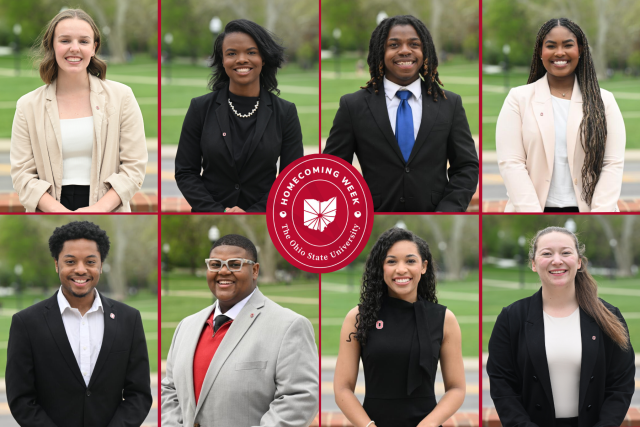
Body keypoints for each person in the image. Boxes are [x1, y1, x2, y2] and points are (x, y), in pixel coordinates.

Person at [323, 15, 479, 213]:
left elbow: (466, 167)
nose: (405, 51)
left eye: (414, 44)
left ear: (425, 51)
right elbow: (332, 172)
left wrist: (448, 210)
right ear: (381, 51)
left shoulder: (450, 103)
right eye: (394, 45)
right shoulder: (352, 105)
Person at [161, 234, 318, 426]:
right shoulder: (186, 326)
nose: (223, 271)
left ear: (254, 270)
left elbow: (299, 399)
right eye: (215, 264)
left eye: (235, 264)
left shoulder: (289, 326)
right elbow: (170, 390)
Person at [6, 221, 152, 426]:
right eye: (71, 261)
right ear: (57, 264)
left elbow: (139, 394)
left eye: (90, 262)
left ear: (101, 265)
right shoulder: (26, 323)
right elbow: (21, 398)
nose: (81, 270)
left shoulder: (129, 319)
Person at [487, 227, 635, 427]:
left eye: (566, 253)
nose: (557, 260)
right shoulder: (511, 318)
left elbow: (621, 384)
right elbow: (502, 385)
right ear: (533, 264)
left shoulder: (609, 315)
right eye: (547, 254)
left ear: (579, 262)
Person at [10, 9, 148, 212]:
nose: (74, 48)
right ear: (52, 46)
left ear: (94, 47)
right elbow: (22, 175)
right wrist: (58, 212)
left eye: (83, 41)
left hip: (108, 209)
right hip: (48, 210)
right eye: (65, 40)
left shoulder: (122, 97)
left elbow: (134, 168)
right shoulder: (27, 105)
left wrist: (98, 209)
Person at [334, 228, 466, 427]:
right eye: (392, 261)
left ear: (424, 266)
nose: (401, 269)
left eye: (410, 261)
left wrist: (428, 425)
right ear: (382, 267)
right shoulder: (358, 318)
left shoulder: (444, 319)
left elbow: (456, 388)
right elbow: (342, 388)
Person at [496, 18, 625, 212]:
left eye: (568, 45)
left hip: (590, 210)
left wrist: (599, 211)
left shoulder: (605, 101)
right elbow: (511, 163)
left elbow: (612, 163)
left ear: (580, 50)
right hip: (531, 209)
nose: (559, 52)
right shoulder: (518, 99)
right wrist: (533, 213)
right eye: (551, 46)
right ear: (540, 52)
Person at [174, 19, 304, 213]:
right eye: (232, 53)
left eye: (251, 52)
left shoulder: (285, 113)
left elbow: (292, 179)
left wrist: (253, 213)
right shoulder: (200, 108)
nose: (241, 59)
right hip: (210, 214)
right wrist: (218, 212)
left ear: (264, 58)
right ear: (222, 60)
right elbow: (185, 172)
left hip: (265, 216)